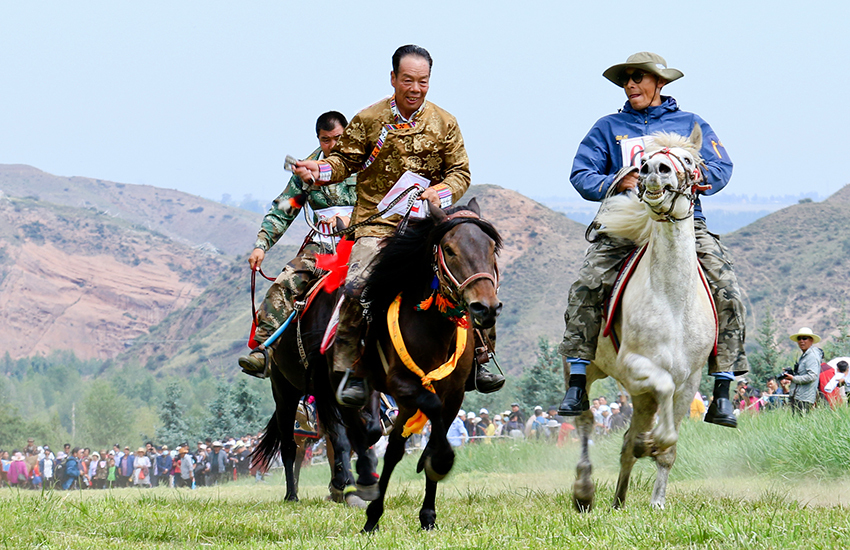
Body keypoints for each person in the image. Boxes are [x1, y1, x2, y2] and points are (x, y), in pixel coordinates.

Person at [294, 44, 504, 407]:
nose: (415, 88)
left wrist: (438, 192)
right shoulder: (369, 119)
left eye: (423, 81)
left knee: (477, 275)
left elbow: (460, 172)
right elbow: (343, 162)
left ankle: (481, 357)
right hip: (377, 226)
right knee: (357, 287)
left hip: (429, 225)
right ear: (393, 79)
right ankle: (350, 367)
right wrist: (320, 171)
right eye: (408, 80)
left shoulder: (445, 122)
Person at [557, 52, 747, 429]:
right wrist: (618, 181)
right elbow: (581, 174)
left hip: (682, 224)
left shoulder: (691, 123)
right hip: (626, 225)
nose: (631, 84)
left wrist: (692, 176)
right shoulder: (608, 127)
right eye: (626, 79)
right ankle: (578, 379)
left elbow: (721, 167)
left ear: (660, 83)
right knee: (586, 284)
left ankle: (723, 388)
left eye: (639, 78)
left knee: (728, 288)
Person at [238, 111, 358, 377]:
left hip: (363, 240)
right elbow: (284, 207)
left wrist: (350, 218)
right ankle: (264, 350)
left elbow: (384, 203)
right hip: (323, 244)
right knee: (287, 279)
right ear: (319, 139)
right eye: (326, 140)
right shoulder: (307, 168)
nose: (333, 145)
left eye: (338, 138)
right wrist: (261, 244)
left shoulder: (367, 164)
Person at [783, 327, 822, 413]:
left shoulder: (812, 356)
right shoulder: (806, 355)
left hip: (804, 398)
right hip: (799, 396)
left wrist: (793, 379)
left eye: (804, 338)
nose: (801, 341)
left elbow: (812, 376)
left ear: (811, 340)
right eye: (799, 339)